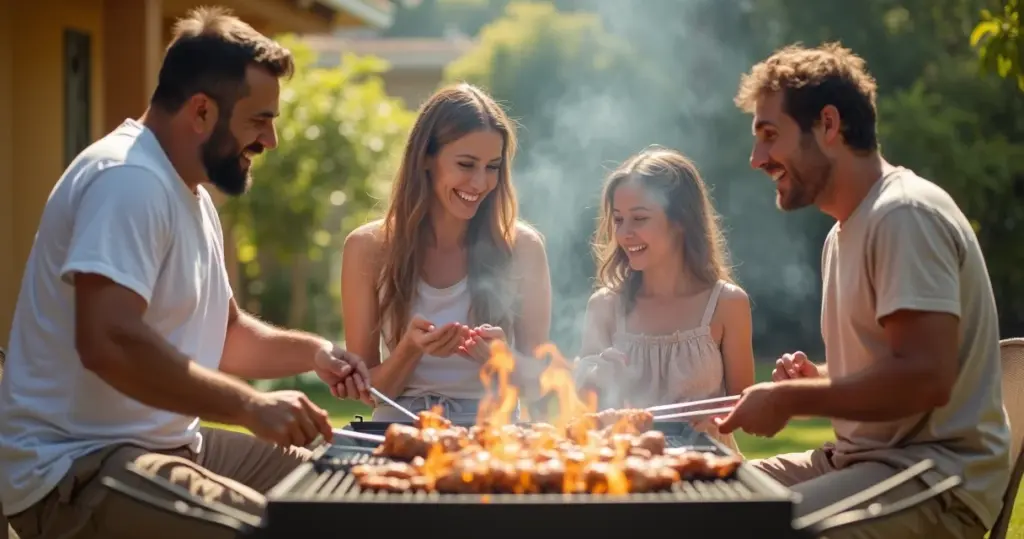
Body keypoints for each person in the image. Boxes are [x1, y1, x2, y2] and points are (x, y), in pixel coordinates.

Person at [0, 8, 371, 539]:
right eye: (259, 120)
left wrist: (315, 353)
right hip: (76, 469)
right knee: (283, 527)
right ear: (201, 111)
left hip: (168, 446)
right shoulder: (128, 181)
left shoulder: (190, 194)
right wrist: (248, 405)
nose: (271, 141)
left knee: (342, 488)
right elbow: (106, 340)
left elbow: (225, 337)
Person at [716, 42, 1011, 538]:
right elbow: (890, 366)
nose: (756, 158)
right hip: (860, 462)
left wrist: (793, 400)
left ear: (828, 125)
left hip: (933, 479)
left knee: (756, 528)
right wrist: (818, 381)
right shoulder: (844, 231)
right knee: (703, 501)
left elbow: (925, 376)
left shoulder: (903, 216)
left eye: (770, 135)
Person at [340, 83, 552, 423]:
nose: (481, 183)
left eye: (493, 167)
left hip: (494, 437)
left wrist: (502, 358)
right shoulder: (367, 248)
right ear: (426, 158)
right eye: (466, 164)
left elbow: (539, 383)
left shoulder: (523, 248)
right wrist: (409, 350)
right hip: (401, 430)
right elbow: (367, 391)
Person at [573, 147, 755, 454]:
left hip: (706, 468)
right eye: (618, 220)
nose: (625, 233)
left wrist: (713, 420)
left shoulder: (727, 304)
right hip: (625, 467)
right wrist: (595, 377)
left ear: (681, 221)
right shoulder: (604, 306)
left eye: (639, 219)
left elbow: (747, 409)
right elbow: (585, 403)